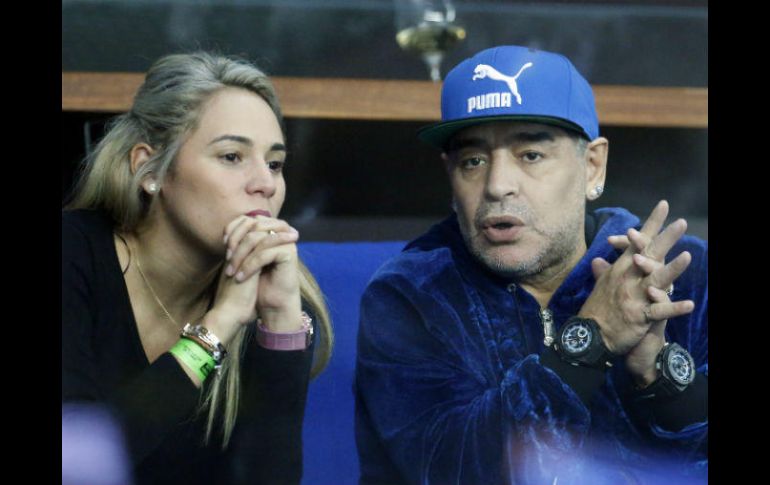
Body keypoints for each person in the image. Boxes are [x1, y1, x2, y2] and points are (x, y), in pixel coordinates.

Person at [354, 45, 707, 485]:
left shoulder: (685, 273)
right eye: (473, 161)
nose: (497, 185)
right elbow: (449, 468)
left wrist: (658, 376)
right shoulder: (412, 294)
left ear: (592, 166)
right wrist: (590, 342)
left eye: (530, 155)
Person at [62, 51, 333, 485]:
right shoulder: (73, 253)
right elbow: (78, 464)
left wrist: (280, 323)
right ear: (149, 168)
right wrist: (218, 326)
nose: (265, 183)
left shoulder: (273, 298)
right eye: (231, 156)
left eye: (275, 163)